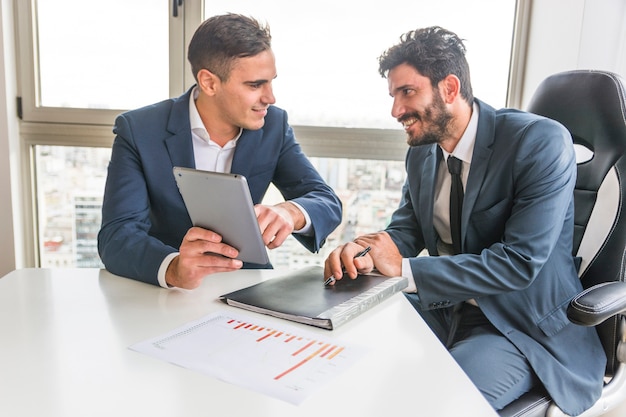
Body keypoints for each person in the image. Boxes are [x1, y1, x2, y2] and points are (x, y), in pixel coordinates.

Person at [324, 26, 605, 415]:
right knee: (349, 359)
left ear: (450, 88)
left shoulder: (537, 142)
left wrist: (403, 269)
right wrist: (368, 250)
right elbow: (406, 229)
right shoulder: (423, 155)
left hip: (517, 325)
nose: (395, 111)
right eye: (393, 96)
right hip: (444, 306)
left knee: (436, 406)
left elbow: (518, 263)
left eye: (407, 92)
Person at [98, 13, 342, 290]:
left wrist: (290, 213)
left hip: (247, 286)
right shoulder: (139, 130)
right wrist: (173, 267)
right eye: (255, 85)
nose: (270, 97)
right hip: (167, 292)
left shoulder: (273, 124)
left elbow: (326, 201)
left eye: (271, 81)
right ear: (209, 82)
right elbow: (117, 236)